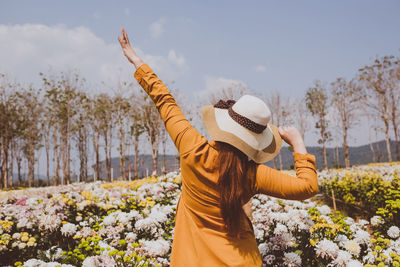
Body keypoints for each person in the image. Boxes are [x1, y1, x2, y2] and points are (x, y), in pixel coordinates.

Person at [118, 28, 318, 267]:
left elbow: (164, 101)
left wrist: (136, 61)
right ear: (256, 140)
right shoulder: (253, 175)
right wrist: (297, 143)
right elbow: (308, 187)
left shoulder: (192, 149)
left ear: (225, 122)